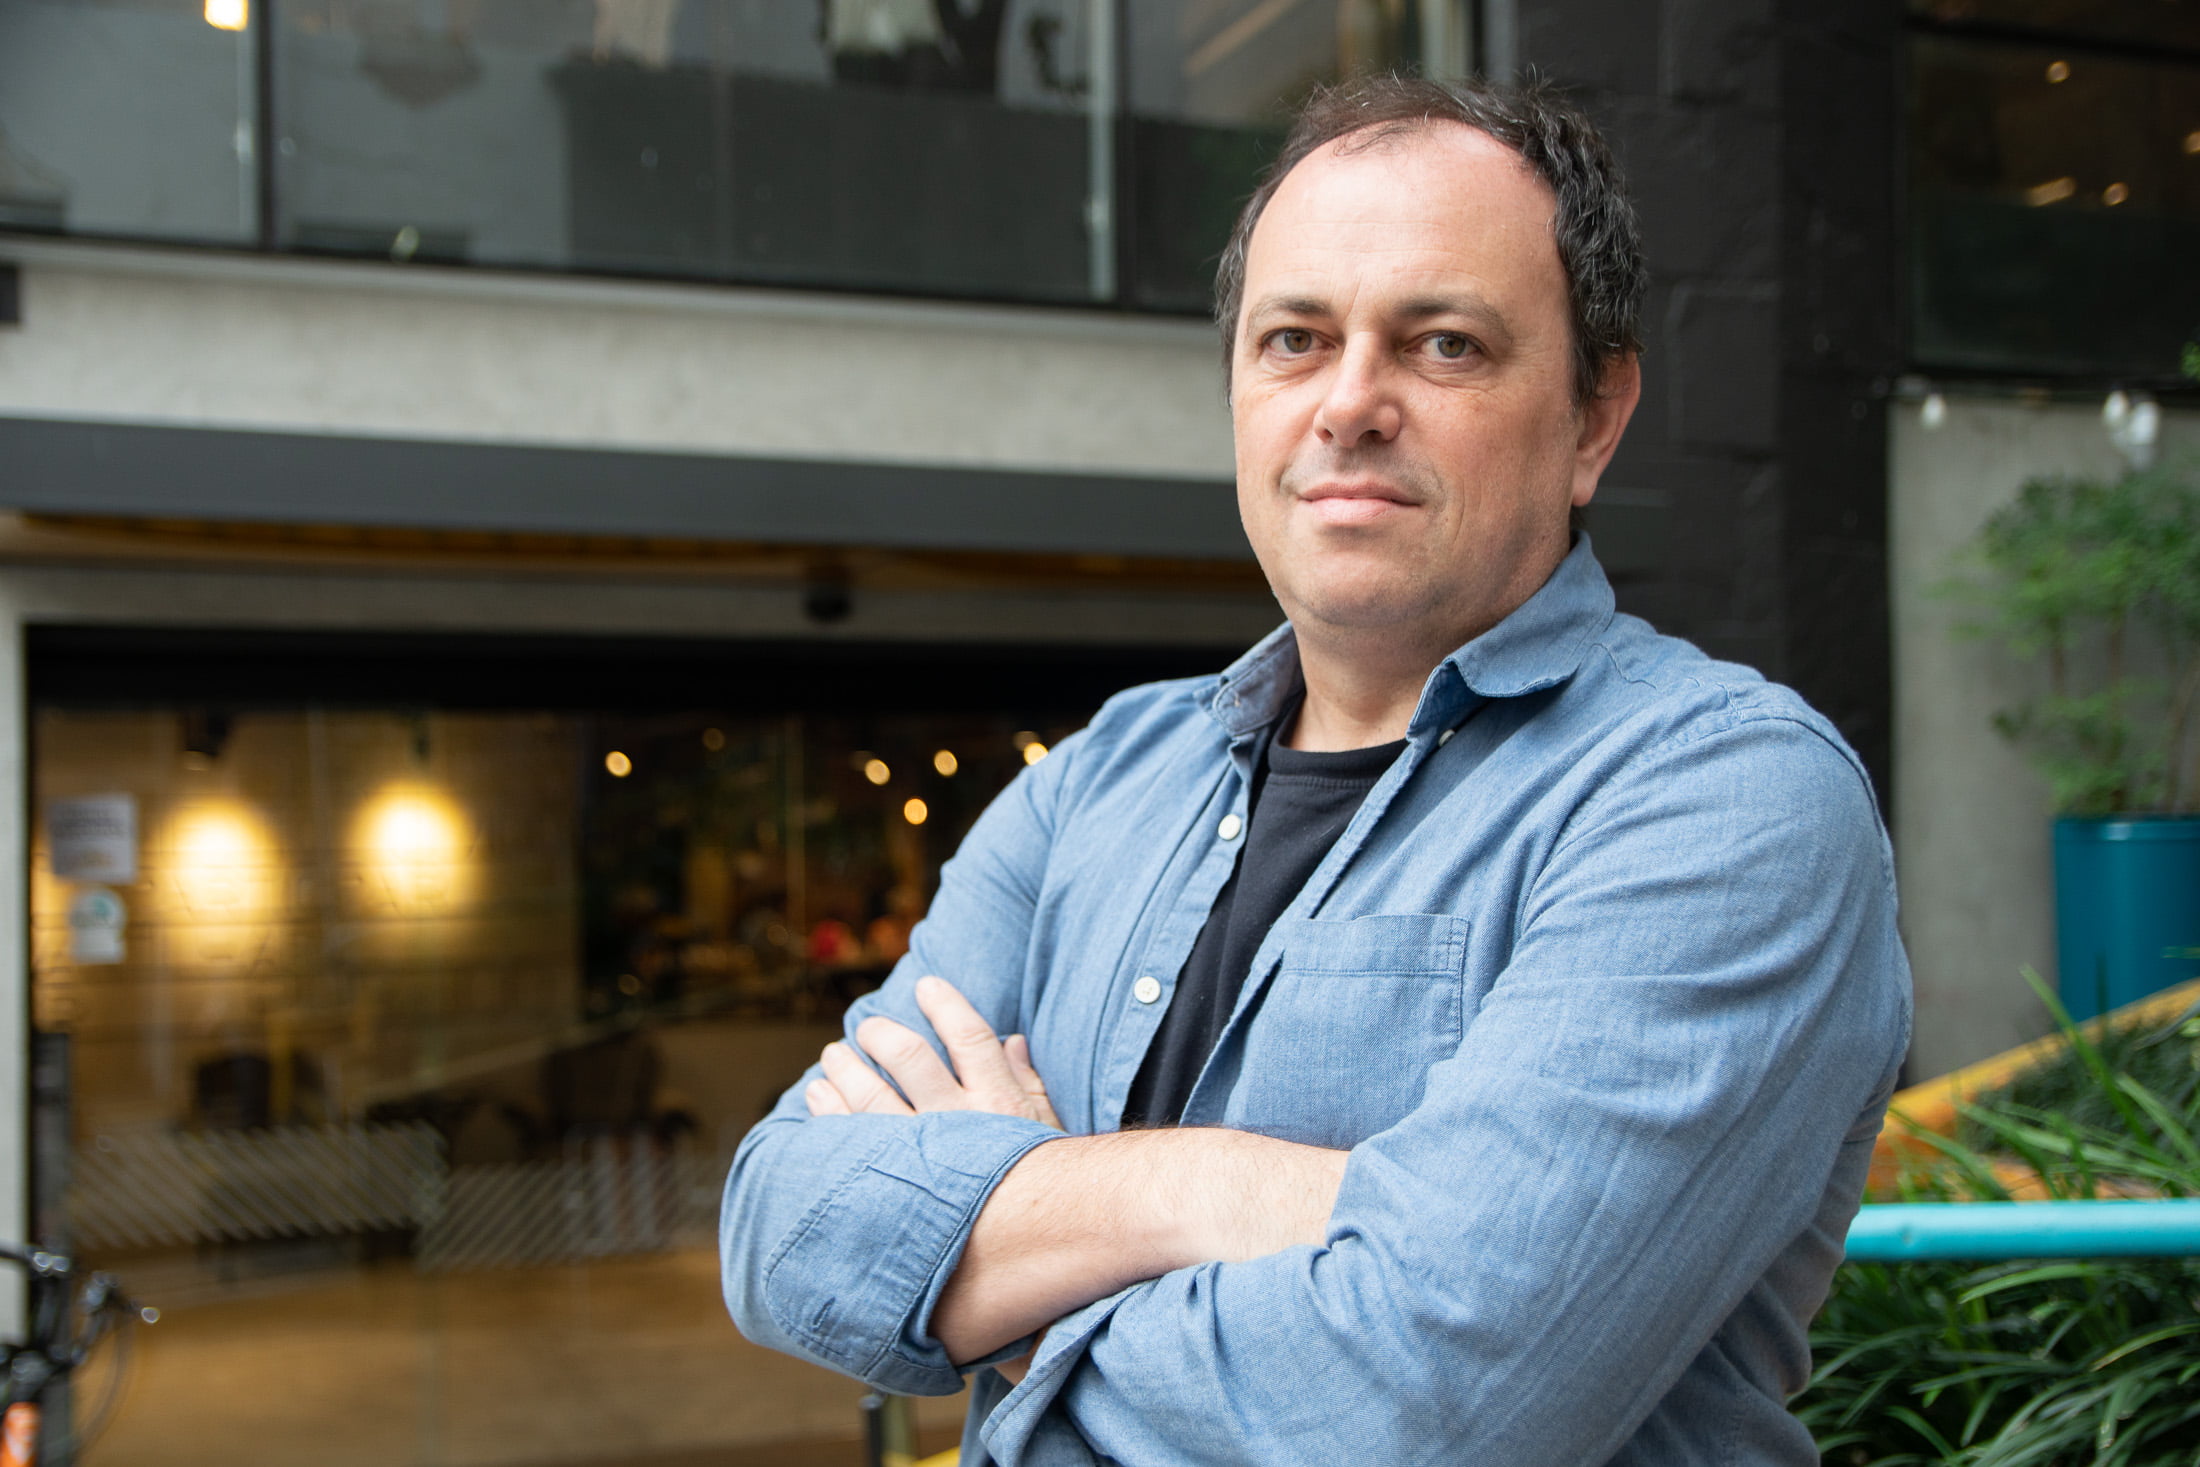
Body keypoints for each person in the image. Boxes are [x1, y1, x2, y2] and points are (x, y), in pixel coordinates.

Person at [720, 74, 1910, 1467]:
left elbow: (1422, 1410)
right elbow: (781, 1225)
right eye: (1296, 339)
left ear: (1595, 417)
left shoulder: (1722, 801)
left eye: (1445, 345)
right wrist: (1223, 1196)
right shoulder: (1101, 780)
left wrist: (1005, 1260)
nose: (1351, 404)